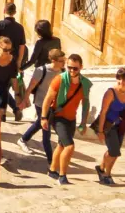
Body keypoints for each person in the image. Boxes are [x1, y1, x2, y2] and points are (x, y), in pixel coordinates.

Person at [41, 53, 93, 185]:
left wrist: (83, 123)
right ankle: (62, 176)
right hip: (58, 118)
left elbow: (86, 104)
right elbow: (47, 99)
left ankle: (52, 170)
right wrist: (43, 117)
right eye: (69, 67)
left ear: (81, 67)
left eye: (75, 68)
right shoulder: (59, 79)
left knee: (61, 145)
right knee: (69, 146)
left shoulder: (85, 84)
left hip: (71, 119)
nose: (71, 70)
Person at [95, 67, 125, 185]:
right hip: (108, 125)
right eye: (119, 79)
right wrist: (100, 131)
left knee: (115, 152)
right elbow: (103, 112)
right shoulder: (110, 92)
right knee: (114, 151)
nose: (121, 82)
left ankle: (102, 169)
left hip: (120, 126)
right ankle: (107, 174)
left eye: (124, 79)